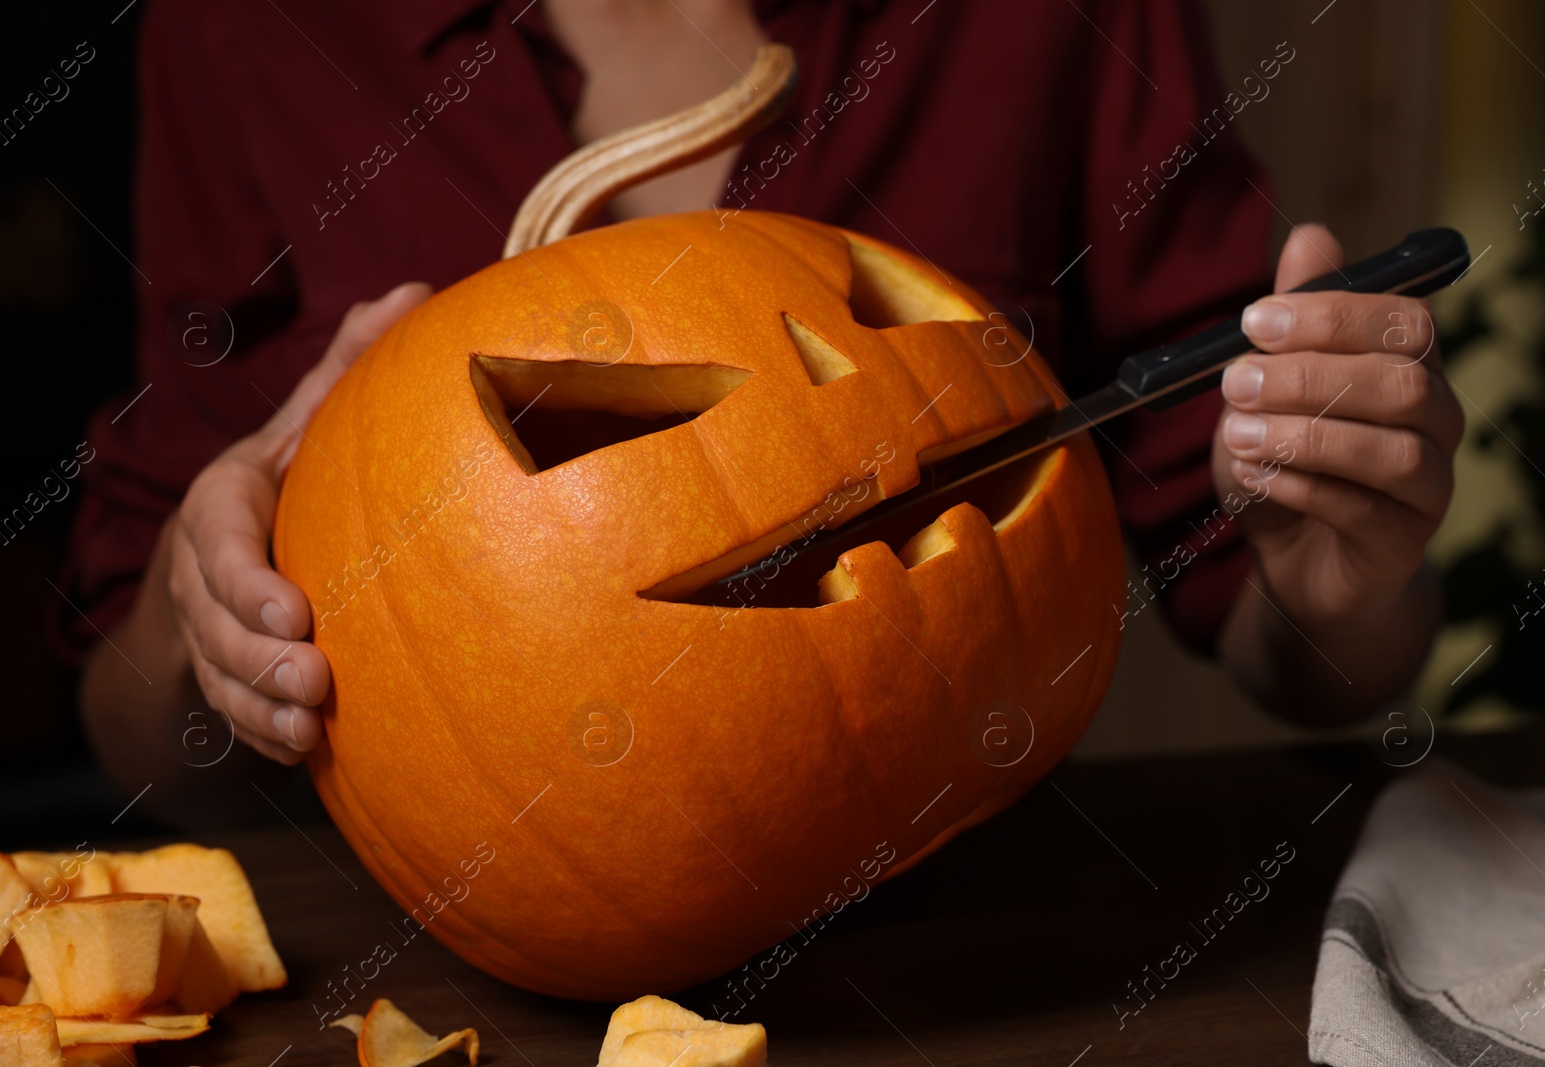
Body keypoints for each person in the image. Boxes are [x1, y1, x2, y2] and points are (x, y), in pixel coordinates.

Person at [62, 0, 1461, 816]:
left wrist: (1344, 584)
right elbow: (134, 738)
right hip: (438, 979)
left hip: (981, 948)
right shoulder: (243, 28)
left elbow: (1304, 647)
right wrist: (212, 623)